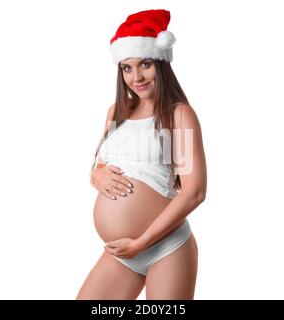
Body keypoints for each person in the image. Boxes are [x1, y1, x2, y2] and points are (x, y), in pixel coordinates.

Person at [77, 9, 207, 300]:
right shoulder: (117, 113)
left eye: (145, 64)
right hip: (122, 253)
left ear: (160, 62)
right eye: (127, 68)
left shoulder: (178, 115)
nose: (136, 77)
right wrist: (95, 174)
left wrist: (142, 241)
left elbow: (194, 192)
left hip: (165, 247)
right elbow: (99, 164)